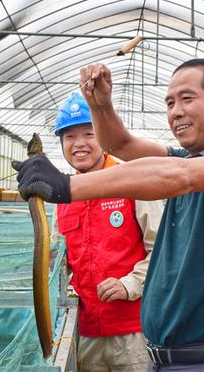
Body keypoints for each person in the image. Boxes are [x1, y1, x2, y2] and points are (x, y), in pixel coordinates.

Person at [15, 59, 204, 371]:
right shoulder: (189, 158)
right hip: (167, 357)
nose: (175, 111)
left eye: (187, 99)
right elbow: (120, 144)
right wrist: (100, 105)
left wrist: (65, 186)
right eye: (169, 102)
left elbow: (179, 176)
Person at [51, 91, 163, 372]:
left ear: (102, 135)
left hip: (132, 332)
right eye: (69, 137)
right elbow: (58, 261)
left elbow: (165, 250)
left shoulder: (132, 181)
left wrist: (130, 284)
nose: (79, 144)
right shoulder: (64, 197)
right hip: (83, 330)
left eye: (88, 133)